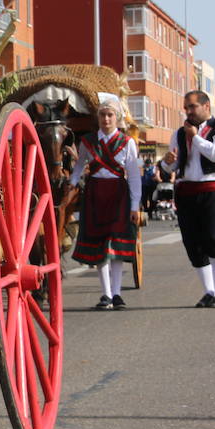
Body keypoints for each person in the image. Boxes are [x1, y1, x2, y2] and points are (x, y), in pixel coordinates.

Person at [161, 90, 215, 307]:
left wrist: (195, 137)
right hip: (187, 191)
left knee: (213, 238)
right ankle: (209, 292)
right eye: (186, 107)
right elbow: (171, 166)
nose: (188, 111)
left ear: (206, 107)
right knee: (192, 244)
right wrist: (167, 162)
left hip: (213, 188)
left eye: (192, 106)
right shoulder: (179, 133)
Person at [64, 98, 142, 310]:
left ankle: (116, 294)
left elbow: (134, 175)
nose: (106, 119)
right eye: (102, 115)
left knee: (115, 245)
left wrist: (135, 205)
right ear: (97, 118)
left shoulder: (127, 143)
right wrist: (71, 183)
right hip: (95, 194)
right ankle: (106, 294)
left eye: (110, 115)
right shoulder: (88, 141)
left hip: (119, 195)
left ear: (117, 118)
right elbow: (79, 166)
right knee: (101, 244)